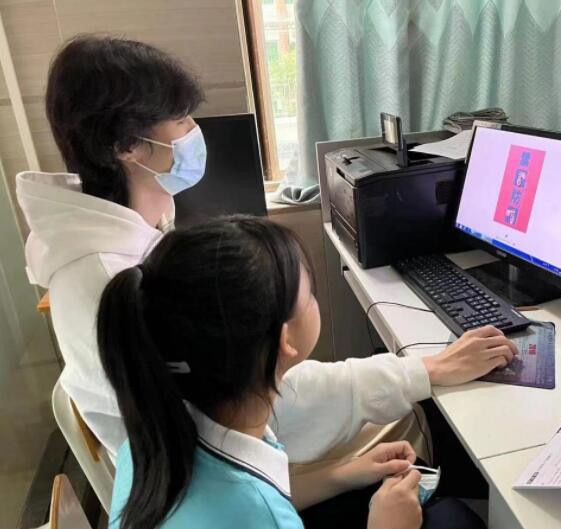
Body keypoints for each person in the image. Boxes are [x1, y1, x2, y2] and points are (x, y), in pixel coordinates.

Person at [17, 34, 518, 475]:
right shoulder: (107, 276)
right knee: (414, 420)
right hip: (221, 469)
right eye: (181, 118)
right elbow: (260, 403)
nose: (194, 131)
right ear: (128, 145)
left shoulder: (125, 237)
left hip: (211, 459)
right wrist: (425, 370)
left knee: (404, 403)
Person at [99, 216, 480, 529]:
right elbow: (257, 509)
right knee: (454, 520)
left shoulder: (157, 433)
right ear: (285, 339)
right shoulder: (253, 514)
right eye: (309, 294)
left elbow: (265, 490)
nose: (315, 300)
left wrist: (343, 474)